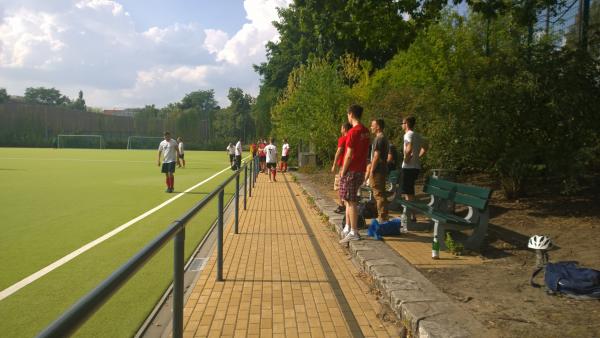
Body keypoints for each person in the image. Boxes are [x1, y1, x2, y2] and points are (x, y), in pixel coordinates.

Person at [339, 104, 371, 244]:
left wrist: (343, 171)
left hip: (351, 170)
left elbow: (349, 155)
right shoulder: (365, 131)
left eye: (348, 114)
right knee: (348, 199)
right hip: (361, 169)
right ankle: (347, 227)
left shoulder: (353, 132)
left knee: (351, 201)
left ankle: (354, 231)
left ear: (351, 114)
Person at [401, 116, 428, 221]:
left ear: (406, 124)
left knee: (409, 193)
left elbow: (409, 147)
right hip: (416, 166)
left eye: (402, 123)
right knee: (410, 191)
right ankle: (410, 215)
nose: (402, 125)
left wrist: (406, 159)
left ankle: (411, 216)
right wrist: (417, 156)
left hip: (409, 167)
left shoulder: (408, 134)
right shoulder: (418, 135)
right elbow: (425, 148)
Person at [364, 119, 389, 222]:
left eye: (372, 125)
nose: (371, 127)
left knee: (378, 194)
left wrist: (371, 170)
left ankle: (382, 218)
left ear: (378, 127)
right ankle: (383, 216)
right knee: (380, 193)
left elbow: (376, 156)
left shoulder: (379, 139)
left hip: (377, 170)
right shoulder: (383, 138)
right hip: (381, 169)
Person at [331, 123, 352, 214]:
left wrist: (334, 164)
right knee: (347, 186)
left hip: (342, 166)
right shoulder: (351, 138)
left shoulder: (343, 139)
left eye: (341, 128)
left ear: (344, 129)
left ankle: (341, 205)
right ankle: (346, 204)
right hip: (351, 166)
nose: (340, 130)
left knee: (339, 185)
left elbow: (338, 151)